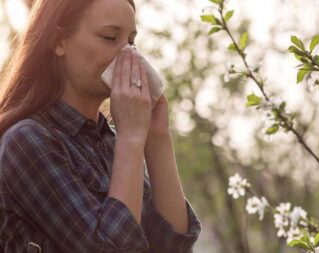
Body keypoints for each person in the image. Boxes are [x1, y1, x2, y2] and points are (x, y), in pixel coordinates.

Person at [0, 0, 201, 252]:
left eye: (131, 41)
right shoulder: (28, 141)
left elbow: (173, 247)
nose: (129, 55)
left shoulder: (111, 142)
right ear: (58, 41)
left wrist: (157, 138)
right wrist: (130, 138)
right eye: (109, 37)